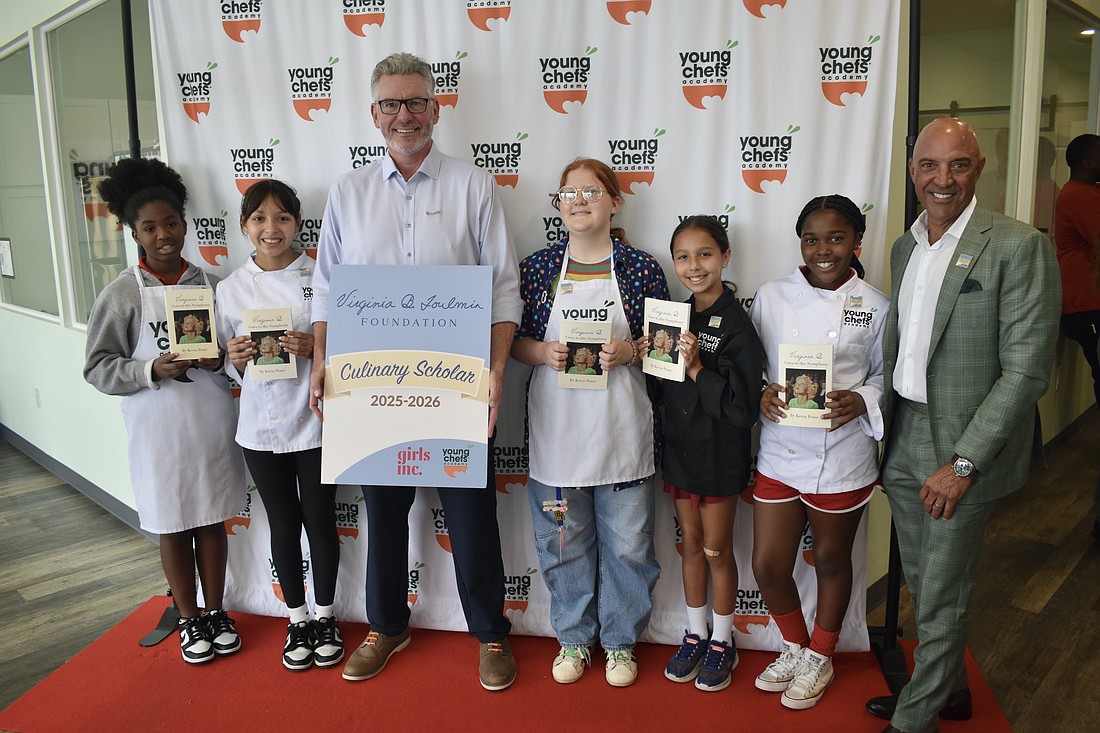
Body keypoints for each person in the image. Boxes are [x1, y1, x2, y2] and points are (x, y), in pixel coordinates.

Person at [308, 52, 522, 691]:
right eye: (391, 104)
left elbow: (504, 289)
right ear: (373, 114)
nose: (405, 115)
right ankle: (386, 626)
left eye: (417, 102)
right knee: (383, 515)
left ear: (437, 107)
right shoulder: (347, 192)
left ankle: (489, 634)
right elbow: (326, 290)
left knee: (471, 518)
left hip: (456, 386)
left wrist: (498, 371)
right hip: (373, 391)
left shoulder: (474, 185)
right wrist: (321, 360)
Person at [866, 118, 1060, 733]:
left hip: (961, 442)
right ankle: (947, 690)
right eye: (930, 165)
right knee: (925, 582)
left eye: (957, 165)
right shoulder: (905, 246)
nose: (942, 179)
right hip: (903, 435)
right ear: (913, 170)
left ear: (978, 169)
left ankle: (914, 719)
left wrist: (963, 462)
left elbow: (1027, 372)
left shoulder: (1017, 245)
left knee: (944, 589)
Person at [510, 157, 668, 688]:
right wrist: (543, 352)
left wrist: (632, 349)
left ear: (614, 201)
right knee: (563, 542)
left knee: (628, 545)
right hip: (557, 434)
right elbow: (514, 343)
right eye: (568, 192)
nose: (578, 200)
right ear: (558, 204)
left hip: (622, 433)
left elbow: (666, 349)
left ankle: (621, 643)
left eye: (591, 191)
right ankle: (574, 640)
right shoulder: (536, 268)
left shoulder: (641, 268)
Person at [83, 157, 246, 665]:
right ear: (133, 232)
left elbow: (234, 352)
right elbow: (98, 368)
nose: (164, 235)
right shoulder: (121, 295)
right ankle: (189, 617)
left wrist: (224, 358)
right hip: (156, 428)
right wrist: (151, 370)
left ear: (184, 222)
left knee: (211, 518)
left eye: (171, 223)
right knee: (172, 522)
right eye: (150, 227)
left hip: (211, 422)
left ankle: (217, 612)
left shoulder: (216, 285)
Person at [750, 195, 888, 710]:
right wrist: (763, 388)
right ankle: (794, 645)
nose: (823, 249)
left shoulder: (875, 306)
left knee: (830, 559)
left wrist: (862, 399)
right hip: (782, 450)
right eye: (811, 238)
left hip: (843, 453)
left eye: (835, 238)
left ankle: (821, 655)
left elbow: (883, 376)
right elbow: (757, 362)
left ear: (856, 241)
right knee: (768, 564)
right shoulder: (772, 295)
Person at [215, 179, 343, 672]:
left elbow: (346, 347)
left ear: (297, 224)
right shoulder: (230, 288)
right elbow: (226, 362)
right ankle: (297, 619)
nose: (272, 228)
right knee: (283, 524)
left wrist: (317, 349)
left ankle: (327, 616)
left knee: (320, 521)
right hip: (259, 429)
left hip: (315, 422)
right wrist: (238, 359)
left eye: (283, 218)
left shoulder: (323, 277)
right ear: (245, 226)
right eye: (260, 219)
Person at [646, 215, 762, 692]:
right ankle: (694, 634)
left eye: (705, 255)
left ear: (725, 257)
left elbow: (742, 409)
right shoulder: (675, 316)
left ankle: (722, 640)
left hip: (719, 457)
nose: (694, 266)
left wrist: (694, 368)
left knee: (716, 550)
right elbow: (659, 392)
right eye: (683, 257)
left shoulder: (738, 324)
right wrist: (649, 356)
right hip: (680, 453)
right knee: (690, 546)